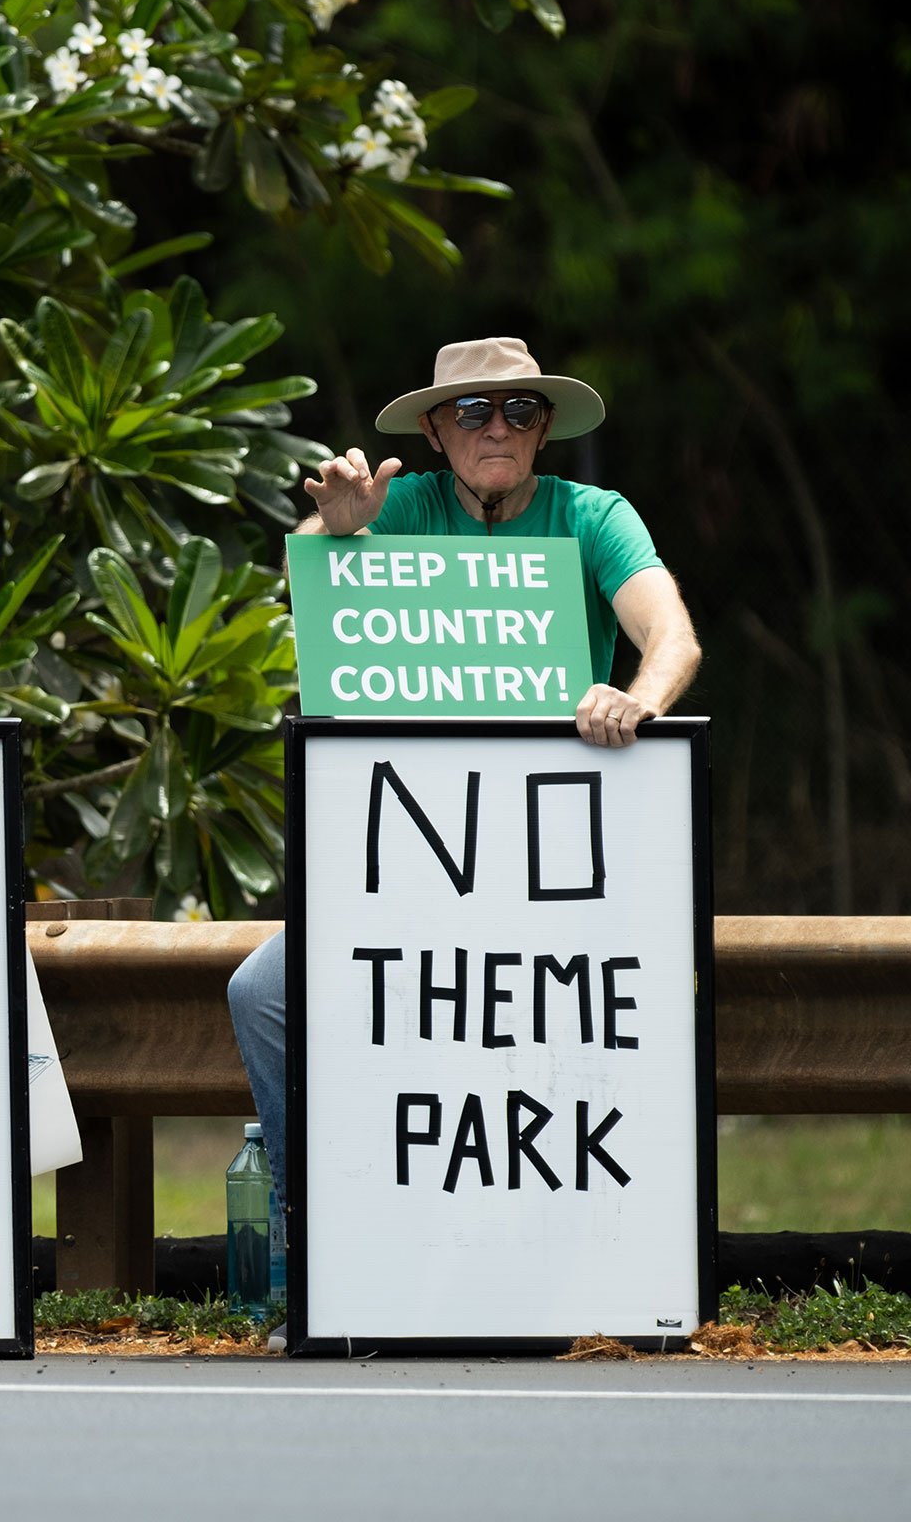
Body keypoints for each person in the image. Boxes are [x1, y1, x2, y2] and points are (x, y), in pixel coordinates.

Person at [227, 337, 701, 1342]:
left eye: (519, 412)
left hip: (558, 869)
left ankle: (594, 1265)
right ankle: (315, 1253)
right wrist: (331, 533)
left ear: (545, 429)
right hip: (408, 859)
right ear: (436, 431)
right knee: (264, 992)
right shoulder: (399, 509)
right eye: (474, 412)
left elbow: (673, 638)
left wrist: (637, 699)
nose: (498, 429)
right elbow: (309, 594)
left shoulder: (592, 517)